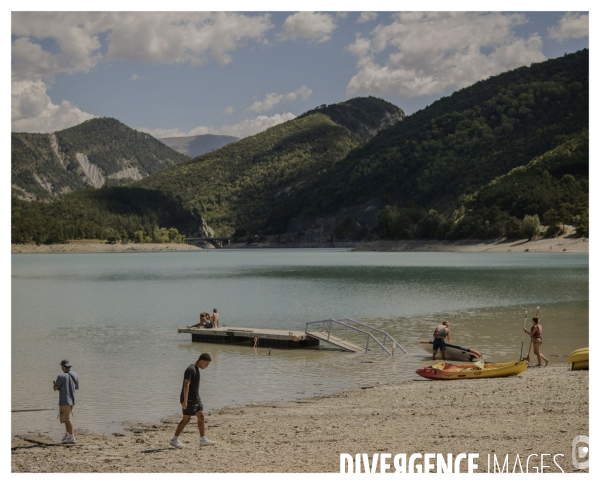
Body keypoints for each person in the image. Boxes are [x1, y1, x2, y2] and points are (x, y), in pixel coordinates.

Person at [170, 353, 216, 449]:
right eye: (206, 364)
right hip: (189, 399)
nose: (206, 367)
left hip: (196, 398)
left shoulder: (196, 369)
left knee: (201, 416)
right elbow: (186, 385)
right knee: (186, 419)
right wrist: (185, 401)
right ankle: (174, 439)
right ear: (201, 361)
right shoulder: (190, 369)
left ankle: (203, 439)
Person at [53, 359, 80, 444]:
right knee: (67, 418)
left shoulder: (61, 376)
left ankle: (72, 437)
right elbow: (76, 387)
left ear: (63, 366)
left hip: (65, 400)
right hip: (73, 400)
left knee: (67, 419)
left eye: (61, 366)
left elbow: (55, 388)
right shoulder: (75, 375)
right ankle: (68, 434)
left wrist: (54, 383)